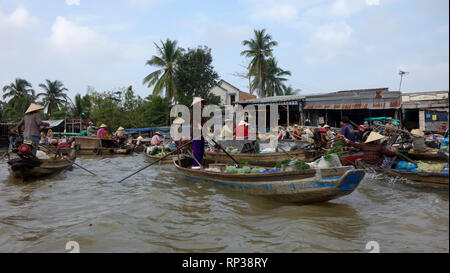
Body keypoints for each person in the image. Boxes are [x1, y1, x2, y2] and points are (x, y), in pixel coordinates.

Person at [190, 97, 207, 168]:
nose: (202, 104)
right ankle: (195, 165)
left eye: (202, 103)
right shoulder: (194, 111)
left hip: (201, 134)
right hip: (196, 133)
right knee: (197, 150)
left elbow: (204, 122)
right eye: (201, 103)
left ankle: (199, 163)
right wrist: (200, 127)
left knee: (201, 150)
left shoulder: (201, 112)